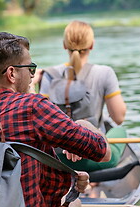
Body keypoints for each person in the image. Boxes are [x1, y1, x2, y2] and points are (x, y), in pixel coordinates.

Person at [0, 32, 111, 207]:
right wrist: (84, 124)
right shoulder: (34, 107)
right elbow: (102, 152)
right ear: (11, 74)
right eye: (30, 68)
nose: (32, 75)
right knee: (73, 201)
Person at [30, 20, 127, 172]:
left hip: (57, 159)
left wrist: (32, 85)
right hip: (94, 158)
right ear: (92, 45)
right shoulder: (105, 73)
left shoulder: (49, 75)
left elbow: (40, 118)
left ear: (64, 45)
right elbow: (118, 118)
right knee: (121, 131)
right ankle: (93, 181)